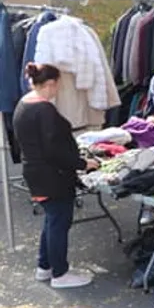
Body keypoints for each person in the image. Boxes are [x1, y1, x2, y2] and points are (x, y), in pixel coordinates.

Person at [13, 63, 99, 289]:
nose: (58, 89)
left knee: (52, 221)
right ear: (50, 83)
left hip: (35, 173)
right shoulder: (45, 110)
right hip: (53, 176)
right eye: (58, 85)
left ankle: (45, 267)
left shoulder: (23, 105)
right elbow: (55, 151)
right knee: (59, 222)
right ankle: (60, 273)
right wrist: (83, 163)